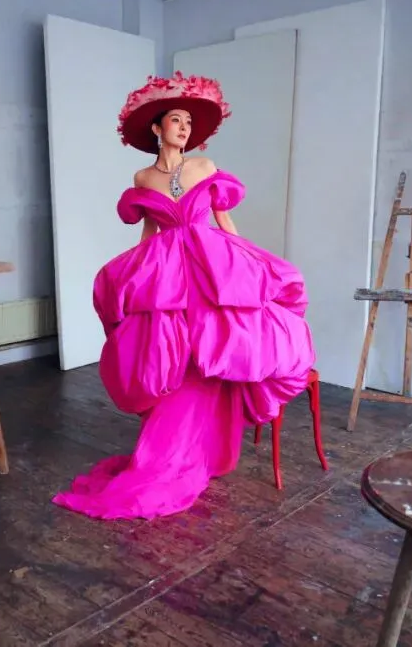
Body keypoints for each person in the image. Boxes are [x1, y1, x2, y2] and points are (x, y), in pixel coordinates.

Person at [51, 71, 317, 520]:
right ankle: (172, 450)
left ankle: (208, 445)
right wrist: (134, 276)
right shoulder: (142, 177)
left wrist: (249, 263)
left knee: (213, 343)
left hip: (210, 261)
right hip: (167, 268)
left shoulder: (205, 168)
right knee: (172, 350)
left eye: (189, 123)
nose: (184, 128)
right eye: (176, 120)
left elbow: (225, 221)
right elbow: (148, 232)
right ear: (157, 128)